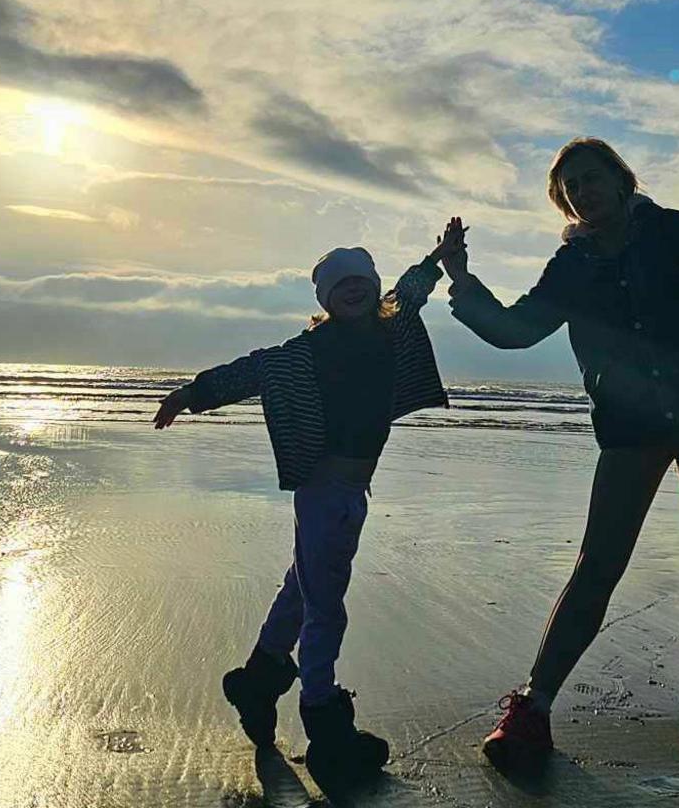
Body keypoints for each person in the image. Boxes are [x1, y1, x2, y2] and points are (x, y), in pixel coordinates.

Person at [439, 137, 679, 771]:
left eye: (591, 178)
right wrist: (462, 282)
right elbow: (518, 330)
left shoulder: (675, 233)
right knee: (598, 562)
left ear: (621, 179)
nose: (582, 191)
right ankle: (533, 708)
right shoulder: (571, 267)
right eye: (570, 187)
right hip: (630, 425)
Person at [151, 239, 454, 787]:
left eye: (360, 280)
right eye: (340, 285)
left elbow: (411, 290)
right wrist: (190, 394)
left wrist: (439, 258)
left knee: (303, 587)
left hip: (351, 491)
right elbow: (249, 372)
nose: (353, 289)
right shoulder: (306, 351)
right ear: (325, 299)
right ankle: (324, 723)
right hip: (324, 489)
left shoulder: (390, 329)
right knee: (324, 605)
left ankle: (259, 679)